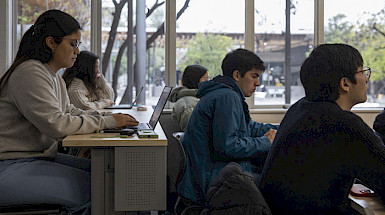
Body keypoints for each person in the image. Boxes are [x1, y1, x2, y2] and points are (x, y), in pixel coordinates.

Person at [0, 10, 138, 215]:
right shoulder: (30, 72)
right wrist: (108, 123)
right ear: (51, 42)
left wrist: (108, 119)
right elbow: (58, 125)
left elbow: (70, 112)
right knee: (103, 189)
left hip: (36, 158)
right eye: (73, 44)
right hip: (10, 165)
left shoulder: (52, 76)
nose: (78, 51)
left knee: (111, 177)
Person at [259, 43, 385, 214]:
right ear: (345, 83)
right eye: (362, 72)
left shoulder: (299, 109)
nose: (367, 79)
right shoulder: (343, 124)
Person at [176, 48, 278, 205]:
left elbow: (248, 128)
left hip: (210, 175)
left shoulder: (226, 94)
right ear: (237, 75)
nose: (258, 83)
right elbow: (227, 147)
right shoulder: (226, 97)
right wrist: (266, 142)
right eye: (254, 76)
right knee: (278, 184)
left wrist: (281, 128)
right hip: (211, 183)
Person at [169, 64, 209, 130]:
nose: (208, 82)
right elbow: (193, 134)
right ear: (195, 80)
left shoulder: (189, 98)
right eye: (205, 79)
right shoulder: (190, 106)